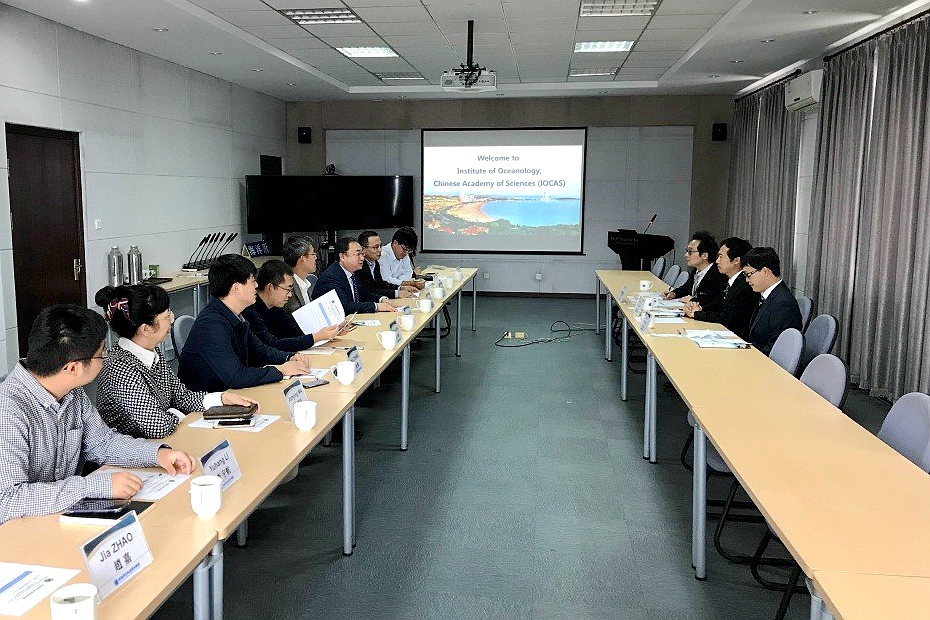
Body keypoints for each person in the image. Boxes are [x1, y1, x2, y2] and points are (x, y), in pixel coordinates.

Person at [0, 304, 196, 524]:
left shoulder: (72, 392)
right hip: (17, 530)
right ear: (73, 368)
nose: (106, 356)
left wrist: (157, 454)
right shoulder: (8, 409)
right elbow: (8, 499)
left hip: (57, 519)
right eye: (101, 352)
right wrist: (99, 486)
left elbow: (102, 443)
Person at [94, 284, 258, 439]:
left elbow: (182, 397)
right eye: (167, 316)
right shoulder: (120, 368)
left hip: (165, 442)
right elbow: (157, 426)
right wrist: (177, 413)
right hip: (136, 451)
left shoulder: (151, 350)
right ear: (146, 329)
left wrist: (222, 399)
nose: (172, 320)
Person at [178, 254, 310, 392]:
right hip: (207, 399)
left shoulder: (234, 314)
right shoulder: (212, 324)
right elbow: (236, 376)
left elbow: (261, 351)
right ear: (237, 288)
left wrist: (289, 357)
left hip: (230, 393)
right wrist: (281, 370)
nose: (257, 286)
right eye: (253, 281)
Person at [242, 260, 340, 351]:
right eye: (288, 290)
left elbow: (294, 330)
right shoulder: (250, 311)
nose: (290, 295)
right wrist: (315, 337)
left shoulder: (275, 307)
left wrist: (333, 328)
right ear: (270, 287)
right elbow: (271, 344)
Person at [684, 237, 760, 341]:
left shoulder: (745, 285)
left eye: (721, 257)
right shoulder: (731, 280)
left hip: (736, 338)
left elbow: (728, 318)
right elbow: (717, 304)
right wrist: (699, 308)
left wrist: (697, 314)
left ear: (736, 260)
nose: (717, 261)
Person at [311, 238, 400, 314]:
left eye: (362, 254)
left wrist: (382, 299)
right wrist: (376, 306)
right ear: (342, 257)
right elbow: (345, 306)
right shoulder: (331, 277)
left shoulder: (351, 273)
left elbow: (362, 293)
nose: (362, 258)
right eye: (358, 254)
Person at [742, 246, 803, 354]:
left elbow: (775, 348)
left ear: (765, 271)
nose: (747, 280)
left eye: (749, 275)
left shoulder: (783, 304)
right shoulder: (768, 295)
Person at [663, 230, 727, 307]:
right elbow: (687, 287)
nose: (686, 255)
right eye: (687, 251)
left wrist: (692, 300)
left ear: (704, 255)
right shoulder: (697, 269)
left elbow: (711, 303)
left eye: (690, 251)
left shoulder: (717, 275)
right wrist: (674, 293)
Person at [356, 231, 417, 299]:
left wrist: (400, 288)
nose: (380, 250)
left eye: (380, 246)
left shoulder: (375, 263)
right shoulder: (359, 266)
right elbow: (369, 291)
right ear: (362, 249)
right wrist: (396, 293)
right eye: (375, 247)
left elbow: (381, 284)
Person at [282, 235, 318, 314]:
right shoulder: (287, 289)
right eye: (313, 254)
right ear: (303, 258)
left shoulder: (307, 282)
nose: (315, 258)